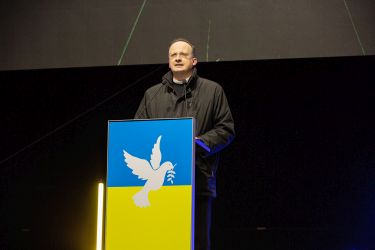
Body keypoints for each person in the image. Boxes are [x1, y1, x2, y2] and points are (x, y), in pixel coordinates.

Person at [135, 38, 235, 250]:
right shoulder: (151, 95)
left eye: (183, 54)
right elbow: (137, 134)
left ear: (194, 60)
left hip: (197, 182)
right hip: (160, 190)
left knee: (196, 242)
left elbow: (225, 129)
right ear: (169, 61)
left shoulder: (213, 90)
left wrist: (200, 143)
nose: (178, 58)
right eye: (173, 55)